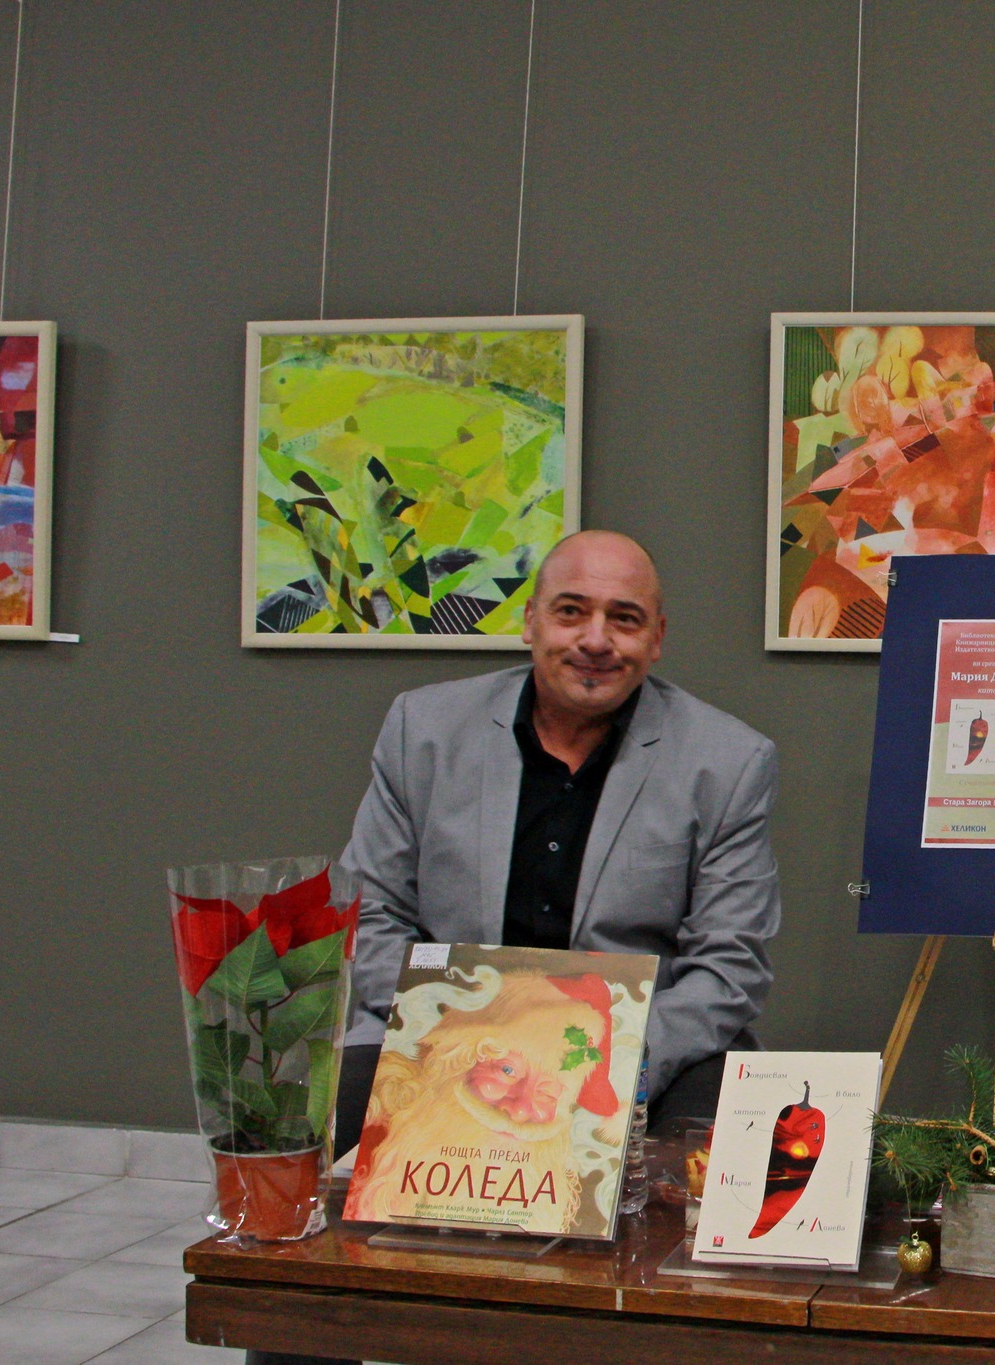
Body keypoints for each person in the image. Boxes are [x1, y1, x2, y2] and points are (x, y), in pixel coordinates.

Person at [245, 529, 782, 1365]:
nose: (596, 639)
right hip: (447, 1031)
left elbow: (729, 965)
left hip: (634, 1051)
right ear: (530, 621)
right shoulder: (424, 729)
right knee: (308, 1140)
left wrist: (616, 1059)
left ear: (657, 638)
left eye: (624, 618)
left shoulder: (728, 760)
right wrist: (449, 1028)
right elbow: (369, 912)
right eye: (571, 612)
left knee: (720, 1141)